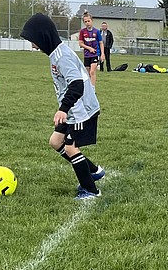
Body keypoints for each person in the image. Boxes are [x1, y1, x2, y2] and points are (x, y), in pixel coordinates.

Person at [20, 13, 105, 199]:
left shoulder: (62, 56)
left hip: (81, 110)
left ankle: (91, 191)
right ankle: (93, 171)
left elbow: (77, 84)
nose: (33, 45)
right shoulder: (54, 54)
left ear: (43, 36)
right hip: (72, 110)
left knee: (70, 147)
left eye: (33, 40)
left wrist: (63, 109)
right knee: (55, 142)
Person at [77, 12, 101, 84]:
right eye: (85, 22)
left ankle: (93, 89)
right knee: (87, 73)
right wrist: (89, 48)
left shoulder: (96, 31)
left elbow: (101, 43)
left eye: (88, 21)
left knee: (92, 71)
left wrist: (102, 54)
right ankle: (88, 88)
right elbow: (80, 43)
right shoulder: (82, 32)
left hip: (95, 54)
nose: (87, 23)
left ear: (92, 21)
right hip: (87, 55)